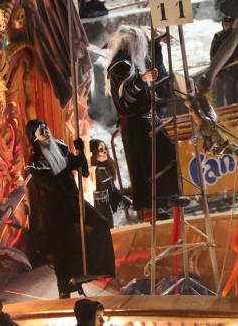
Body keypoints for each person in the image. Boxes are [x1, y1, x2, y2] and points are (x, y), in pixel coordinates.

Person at [24, 120, 115, 298]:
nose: (45, 131)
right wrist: (66, 162)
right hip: (56, 209)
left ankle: (95, 268)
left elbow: (82, 169)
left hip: (74, 201)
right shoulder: (35, 161)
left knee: (101, 225)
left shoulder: (60, 147)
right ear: (34, 136)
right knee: (65, 247)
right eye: (40, 130)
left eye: (46, 127)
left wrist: (81, 151)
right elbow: (52, 182)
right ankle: (65, 287)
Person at [106, 26, 181, 216]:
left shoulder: (130, 60)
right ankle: (153, 206)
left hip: (146, 116)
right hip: (135, 122)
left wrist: (156, 43)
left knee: (165, 152)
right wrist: (141, 80)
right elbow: (125, 95)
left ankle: (167, 197)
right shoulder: (119, 65)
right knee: (146, 164)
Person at [209, 14, 238, 106]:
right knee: (230, 99)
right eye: (225, 22)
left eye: (230, 22)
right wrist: (217, 71)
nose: (227, 24)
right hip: (227, 73)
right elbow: (213, 54)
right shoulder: (219, 36)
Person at [90, 139, 130, 229]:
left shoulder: (107, 168)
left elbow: (111, 188)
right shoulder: (92, 172)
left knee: (109, 227)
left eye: (105, 149)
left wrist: (121, 198)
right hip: (95, 207)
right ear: (93, 152)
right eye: (101, 150)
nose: (105, 151)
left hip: (105, 205)